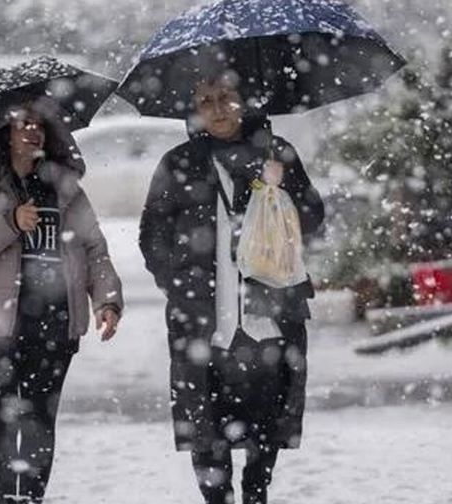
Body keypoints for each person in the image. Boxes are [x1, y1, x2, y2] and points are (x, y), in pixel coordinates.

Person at [139, 71, 324, 504]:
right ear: (194, 109)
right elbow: (152, 235)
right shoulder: (178, 162)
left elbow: (313, 220)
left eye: (226, 97)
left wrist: (284, 189)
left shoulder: (278, 153)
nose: (218, 108)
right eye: (206, 100)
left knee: (266, 422)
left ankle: (256, 494)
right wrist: (180, 285)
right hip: (205, 322)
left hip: (269, 316)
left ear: (246, 100)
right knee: (206, 427)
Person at [0, 102, 124, 504]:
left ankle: (32, 498)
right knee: (1, 414)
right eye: (23, 124)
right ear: (4, 132)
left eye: (40, 125)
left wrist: (107, 300)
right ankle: (5, 498)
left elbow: (95, 250)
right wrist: (8, 223)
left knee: (40, 415)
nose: (33, 132)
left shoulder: (65, 189)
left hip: (54, 323)